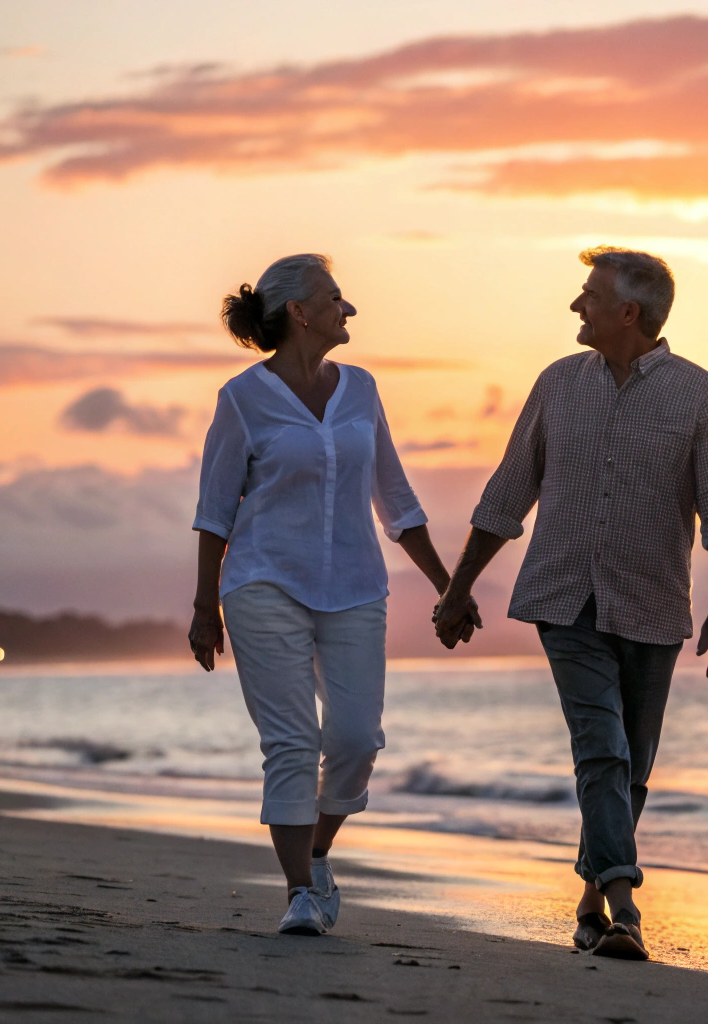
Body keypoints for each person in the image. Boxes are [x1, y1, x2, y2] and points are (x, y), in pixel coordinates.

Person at [432, 246, 708, 961]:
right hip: (564, 595)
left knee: (631, 764)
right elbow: (508, 492)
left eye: (589, 295)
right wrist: (457, 588)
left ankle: (589, 899)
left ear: (628, 313)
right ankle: (627, 906)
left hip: (654, 601)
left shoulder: (701, 396)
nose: (577, 306)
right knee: (600, 747)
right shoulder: (557, 385)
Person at [188, 253, 475, 936]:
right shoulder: (242, 399)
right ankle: (298, 896)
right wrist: (205, 607)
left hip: (353, 586)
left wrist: (450, 587)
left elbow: (397, 502)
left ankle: (315, 856)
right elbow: (213, 510)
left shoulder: (362, 390)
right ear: (300, 312)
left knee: (354, 739)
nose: (348, 309)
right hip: (262, 582)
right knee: (291, 742)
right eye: (336, 297)